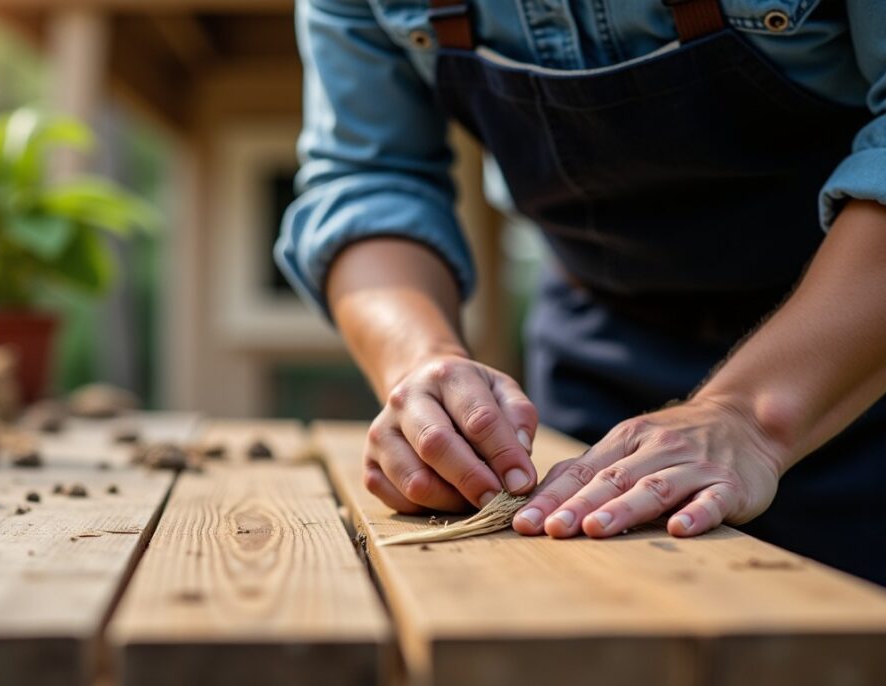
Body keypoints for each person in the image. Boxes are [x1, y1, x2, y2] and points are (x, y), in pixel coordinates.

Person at [275, 0, 885, 584]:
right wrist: (423, 366)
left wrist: (749, 417)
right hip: (594, 358)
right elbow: (367, 180)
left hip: (855, 359)